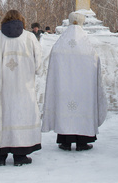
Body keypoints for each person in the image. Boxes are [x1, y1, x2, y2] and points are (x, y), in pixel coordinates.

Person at [43, 11, 107, 152]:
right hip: (83, 88)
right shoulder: (87, 45)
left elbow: (54, 65)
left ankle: (65, 141)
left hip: (64, 87)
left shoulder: (60, 45)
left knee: (65, 107)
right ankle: (82, 141)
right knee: (83, 107)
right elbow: (95, 62)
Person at [0, 10, 42, 167]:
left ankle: (0, 155)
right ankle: (20, 155)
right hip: (23, 86)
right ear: (22, 21)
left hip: (3, 87)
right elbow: (38, 63)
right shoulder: (30, 37)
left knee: (3, 115)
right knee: (21, 116)